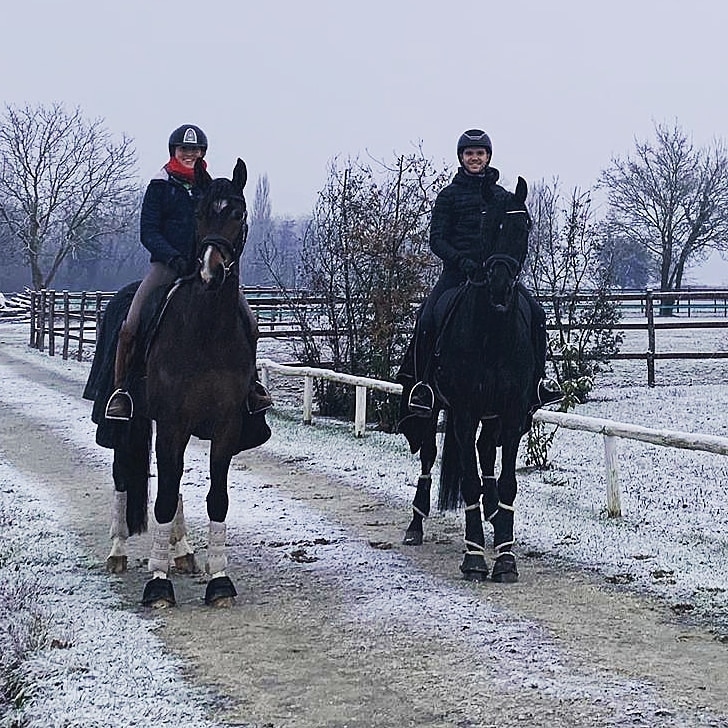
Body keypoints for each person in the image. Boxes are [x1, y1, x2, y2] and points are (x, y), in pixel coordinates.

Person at [105, 124, 272, 420]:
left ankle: (251, 387)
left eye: (195, 150)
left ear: (203, 153)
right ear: (174, 152)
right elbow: (149, 231)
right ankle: (121, 392)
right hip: (166, 267)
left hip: (205, 265)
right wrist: (172, 257)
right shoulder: (160, 186)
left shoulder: (207, 188)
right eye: (184, 149)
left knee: (251, 323)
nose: (189, 154)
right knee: (131, 323)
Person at [399, 128, 561, 418]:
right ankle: (422, 386)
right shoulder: (448, 196)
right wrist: (462, 261)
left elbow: (513, 235)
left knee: (536, 314)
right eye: (469, 153)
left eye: (480, 153)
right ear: (461, 157)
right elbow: (437, 239)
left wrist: (506, 265)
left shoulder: (501, 196)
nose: (475, 158)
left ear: (488, 157)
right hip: (457, 274)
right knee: (426, 318)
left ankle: (538, 382)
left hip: (495, 275)